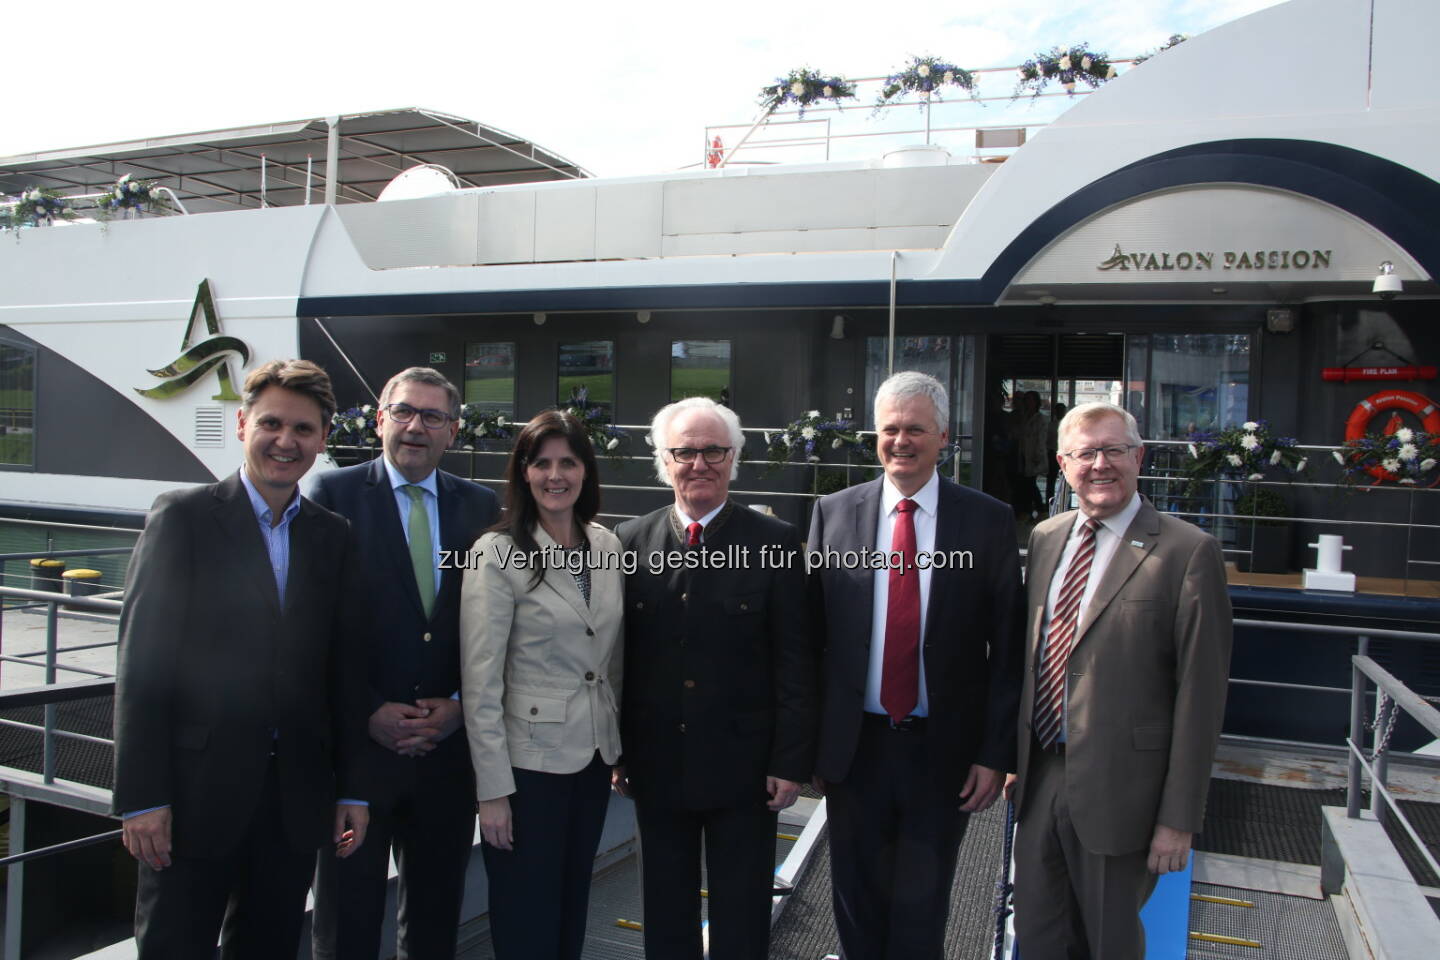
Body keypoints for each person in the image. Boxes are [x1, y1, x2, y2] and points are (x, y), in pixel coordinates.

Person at [113, 359, 369, 959]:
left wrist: (351, 790)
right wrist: (143, 798)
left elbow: (343, 673)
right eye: (272, 423)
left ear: (322, 440)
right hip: (193, 799)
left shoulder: (333, 536)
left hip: (294, 803)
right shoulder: (184, 517)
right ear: (241, 424)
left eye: (304, 429)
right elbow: (142, 664)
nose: (287, 441)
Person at [807, 370, 1024, 960]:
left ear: (944, 436)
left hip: (943, 750)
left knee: (922, 905)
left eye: (916, 430)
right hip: (856, 750)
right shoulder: (833, 513)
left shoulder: (987, 521)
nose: (901, 441)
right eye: (890, 429)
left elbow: (1008, 650)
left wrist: (993, 752)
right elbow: (810, 640)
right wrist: (811, 746)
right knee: (854, 896)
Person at [1010, 401, 1232, 960]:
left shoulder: (1187, 552)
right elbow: (1029, 657)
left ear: (1139, 456)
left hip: (1124, 794)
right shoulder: (1046, 538)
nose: (1100, 464)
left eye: (1113, 450)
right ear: (1063, 464)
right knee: (1037, 935)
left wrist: (1178, 821)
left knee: (1107, 944)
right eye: (1086, 453)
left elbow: (1200, 699)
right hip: (1040, 780)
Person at [614, 396, 817, 960]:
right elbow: (616, 661)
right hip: (656, 768)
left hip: (746, 772)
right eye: (685, 451)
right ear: (664, 460)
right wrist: (620, 753)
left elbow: (796, 661)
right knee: (665, 911)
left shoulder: (775, 543)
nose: (699, 463)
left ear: (733, 458)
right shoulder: (628, 542)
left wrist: (789, 761)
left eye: (713, 451)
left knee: (743, 914)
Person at [309, 367, 499, 960]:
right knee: (347, 925)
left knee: (435, 923)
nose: (416, 427)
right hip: (359, 765)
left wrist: (461, 710)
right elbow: (313, 629)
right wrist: (368, 711)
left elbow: (492, 625)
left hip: (445, 762)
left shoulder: (481, 507)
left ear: (453, 431)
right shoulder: (331, 496)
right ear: (379, 419)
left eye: (433, 417)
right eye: (404, 412)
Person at [460, 409, 624, 960]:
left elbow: (610, 657)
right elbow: (481, 682)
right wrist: (492, 792)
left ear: (586, 471)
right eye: (542, 463)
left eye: (568, 462)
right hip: (528, 769)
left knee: (573, 899)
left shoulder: (606, 544)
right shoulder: (496, 552)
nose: (556, 475)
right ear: (523, 473)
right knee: (526, 913)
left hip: (594, 757)